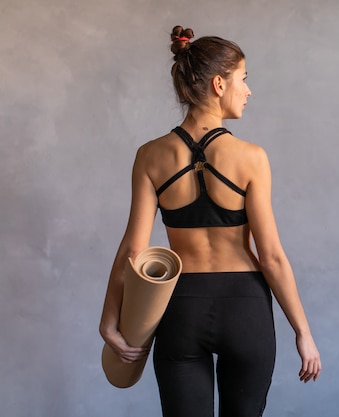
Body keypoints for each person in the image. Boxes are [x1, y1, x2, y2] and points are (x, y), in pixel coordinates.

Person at [99, 25, 321, 417]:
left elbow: (134, 250)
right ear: (220, 84)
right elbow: (271, 257)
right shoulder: (251, 157)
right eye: (244, 79)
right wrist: (302, 332)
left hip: (180, 307)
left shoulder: (149, 156)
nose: (249, 90)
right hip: (245, 307)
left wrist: (109, 321)